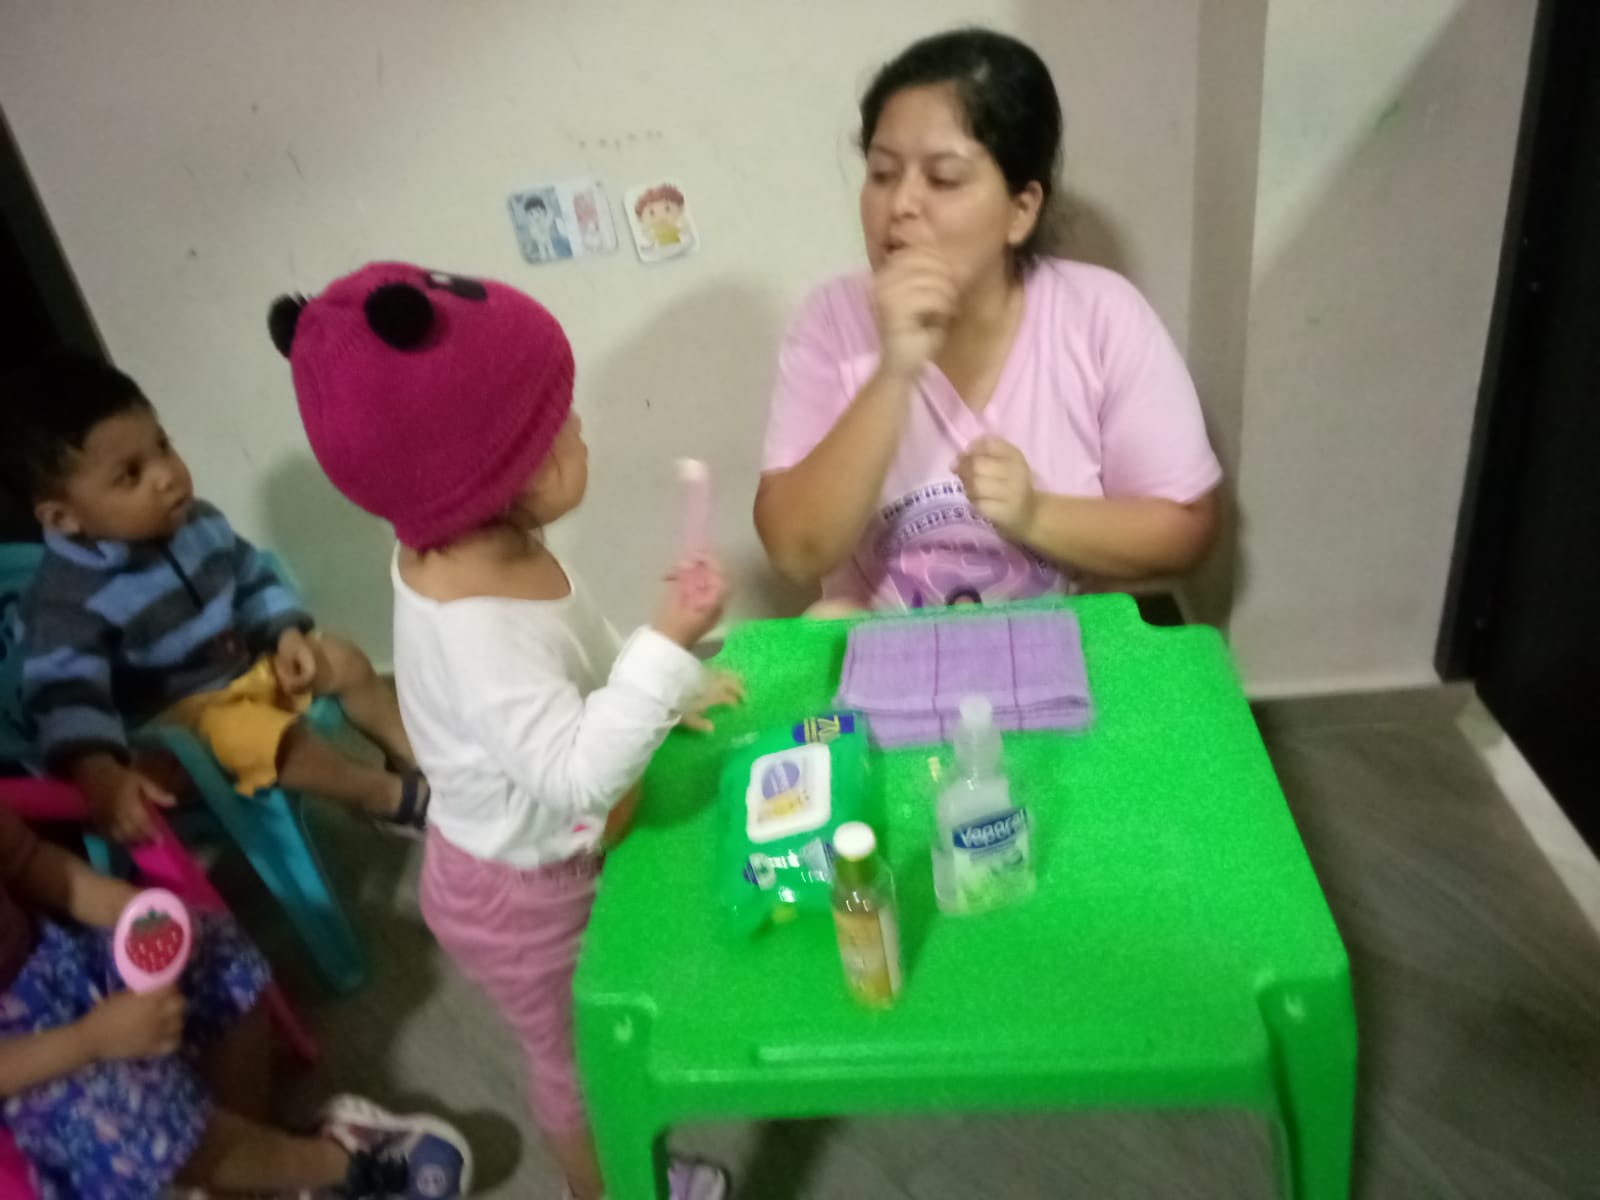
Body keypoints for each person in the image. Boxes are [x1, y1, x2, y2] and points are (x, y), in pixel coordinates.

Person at [270, 262, 739, 1200]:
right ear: (492, 474)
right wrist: (668, 645)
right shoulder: (478, 630)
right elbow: (576, 776)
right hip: (520, 897)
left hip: (535, 851)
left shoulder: (470, 540)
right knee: (582, 1058)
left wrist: (661, 681)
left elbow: (574, 657)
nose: (580, 426)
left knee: (614, 1015)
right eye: (556, 422)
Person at [754, 28, 1222, 613]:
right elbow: (796, 551)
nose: (900, 204)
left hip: (1065, 649)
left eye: (943, 178)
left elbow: (1185, 531)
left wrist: (1035, 514)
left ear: (1021, 210)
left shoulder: (1100, 315)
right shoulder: (831, 320)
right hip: (886, 653)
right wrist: (895, 371)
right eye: (882, 173)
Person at [0, 353, 430, 844]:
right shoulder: (66, 599)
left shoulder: (198, 523)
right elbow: (65, 692)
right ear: (63, 517)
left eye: (163, 446)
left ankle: (423, 761)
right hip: (173, 733)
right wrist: (100, 770)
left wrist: (286, 635)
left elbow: (249, 576)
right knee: (255, 737)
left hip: (245, 673)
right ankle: (386, 797)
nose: (167, 475)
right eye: (131, 475)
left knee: (341, 657)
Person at [0, 805, 471, 1198]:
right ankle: (340, 1167)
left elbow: (30, 861)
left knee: (218, 951)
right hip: (27, 1061)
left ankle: (243, 1179)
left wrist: (130, 912)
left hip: (58, 961)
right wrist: (90, 1040)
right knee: (121, 1117)